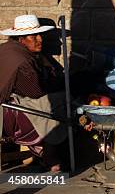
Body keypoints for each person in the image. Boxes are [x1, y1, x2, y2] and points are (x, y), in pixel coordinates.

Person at [0, 15, 68, 172]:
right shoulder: (21, 61)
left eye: (40, 35)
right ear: (21, 39)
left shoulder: (10, 49)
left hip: (8, 105)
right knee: (53, 103)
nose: (40, 39)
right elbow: (35, 91)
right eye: (34, 36)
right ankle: (50, 156)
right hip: (7, 115)